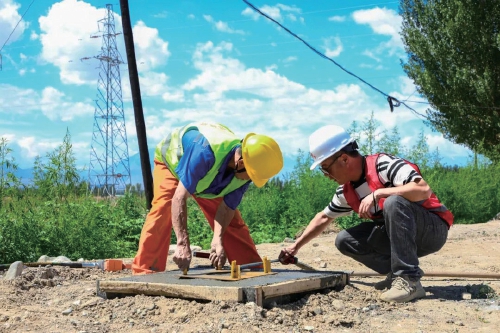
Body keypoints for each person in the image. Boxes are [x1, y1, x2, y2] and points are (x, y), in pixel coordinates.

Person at [279, 125, 453, 303]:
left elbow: (423, 189)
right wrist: (295, 247)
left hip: (433, 230)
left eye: (325, 168)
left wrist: (379, 193)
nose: (326, 175)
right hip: (407, 239)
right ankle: (396, 275)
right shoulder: (346, 191)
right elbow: (324, 217)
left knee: (394, 202)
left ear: (344, 159)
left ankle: (409, 280)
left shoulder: (383, 165)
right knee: (345, 240)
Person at [132, 121, 283, 275]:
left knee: (231, 222)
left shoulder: (247, 170)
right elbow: (179, 198)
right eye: (250, 176)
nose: (249, 180)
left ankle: (251, 267)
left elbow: (226, 209)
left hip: (207, 178)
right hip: (172, 164)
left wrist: (217, 240)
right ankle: (145, 270)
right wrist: (182, 243)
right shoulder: (205, 152)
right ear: (241, 162)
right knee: (163, 208)